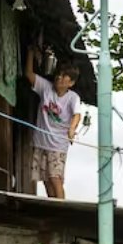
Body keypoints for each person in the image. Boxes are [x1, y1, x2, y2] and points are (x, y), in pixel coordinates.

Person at [25, 48, 82, 198]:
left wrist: (71, 130)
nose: (59, 78)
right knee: (45, 180)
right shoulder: (46, 88)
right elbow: (29, 75)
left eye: (64, 77)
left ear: (71, 82)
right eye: (58, 75)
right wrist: (30, 53)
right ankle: (53, 207)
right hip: (40, 142)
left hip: (57, 145)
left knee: (55, 179)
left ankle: (63, 211)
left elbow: (77, 115)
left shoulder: (73, 98)